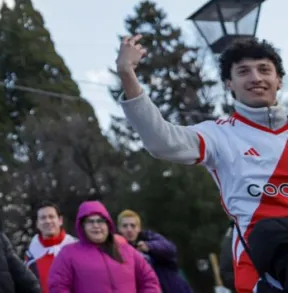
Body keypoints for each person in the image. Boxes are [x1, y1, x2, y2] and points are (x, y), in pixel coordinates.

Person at [116, 35, 288, 293]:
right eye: (243, 72)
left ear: (279, 80)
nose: (256, 78)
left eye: (264, 70)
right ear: (229, 83)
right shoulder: (218, 135)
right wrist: (127, 74)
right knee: (268, 233)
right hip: (259, 265)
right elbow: (161, 141)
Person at [46, 201, 160, 293]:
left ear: (108, 224)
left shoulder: (127, 250)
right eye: (90, 222)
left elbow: (149, 280)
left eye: (100, 221)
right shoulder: (68, 254)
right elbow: (58, 287)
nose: (96, 226)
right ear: (82, 226)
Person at [117, 210, 191, 293]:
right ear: (119, 229)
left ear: (139, 228)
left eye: (133, 226)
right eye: (125, 226)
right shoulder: (116, 249)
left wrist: (149, 246)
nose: (129, 229)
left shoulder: (149, 237)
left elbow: (171, 249)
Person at [24, 202, 76, 293]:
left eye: (51, 217)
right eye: (43, 218)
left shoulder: (75, 246)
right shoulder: (31, 254)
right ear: (37, 224)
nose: (48, 221)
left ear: (60, 220)